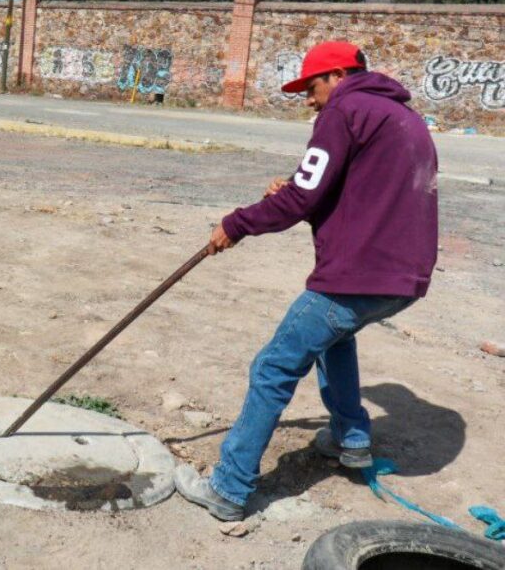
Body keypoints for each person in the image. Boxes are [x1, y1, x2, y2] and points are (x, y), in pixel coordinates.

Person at [175, 41, 439, 521]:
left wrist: (236, 224)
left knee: (273, 368)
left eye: (311, 87)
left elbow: (303, 200)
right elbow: (339, 192)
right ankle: (351, 440)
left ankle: (229, 488)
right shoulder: (401, 116)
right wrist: (296, 190)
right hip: (404, 280)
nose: (309, 100)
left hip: (357, 275)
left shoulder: (344, 110)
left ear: (336, 75)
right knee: (334, 339)